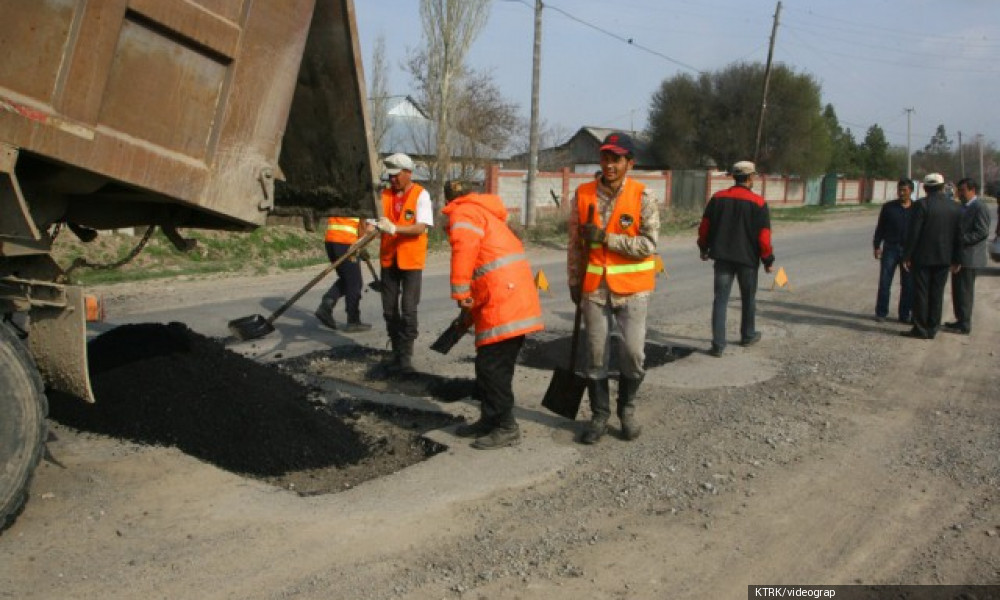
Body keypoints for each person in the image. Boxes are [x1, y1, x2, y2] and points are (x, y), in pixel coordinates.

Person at [567, 132, 660, 445]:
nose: (609, 164)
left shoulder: (643, 196)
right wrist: (573, 280)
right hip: (594, 289)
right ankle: (599, 415)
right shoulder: (582, 194)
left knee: (633, 354)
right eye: (605, 157)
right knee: (595, 355)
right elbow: (574, 245)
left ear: (628, 163)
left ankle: (627, 410)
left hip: (633, 290)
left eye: (616, 159)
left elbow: (649, 245)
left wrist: (608, 239)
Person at [442, 180, 544, 450]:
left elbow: (465, 250)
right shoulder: (485, 212)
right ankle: (490, 418)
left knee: (492, 368)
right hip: (506, 297)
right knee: (489, 365)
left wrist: (460, 292)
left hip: (504, 300)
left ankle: (506, 426)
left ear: (449, 200)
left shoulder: (463, 212)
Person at [697, 161, 775, 358]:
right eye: (754, 176)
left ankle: (718, 345)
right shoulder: (759, 203)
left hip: (722, 258)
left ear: (734, 176)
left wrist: (703, 247)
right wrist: (768, 260)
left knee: (720, 300)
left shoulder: (717, 198)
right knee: (748, 298)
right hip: (748, 260)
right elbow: (764, 237)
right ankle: (748, 335)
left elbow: (704, 227)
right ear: (749, 178)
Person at [373, 153, 433, 374]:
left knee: (408, 310)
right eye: (390, 176)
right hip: (389, 258)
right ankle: (396, 351)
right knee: (389, 310)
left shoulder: (421, 195)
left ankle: (406, 357)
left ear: (408, 173)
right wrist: (370, 228)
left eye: (396, 176)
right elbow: (374, 220)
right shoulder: (384, 194)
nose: (393, 180)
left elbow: (421, 227)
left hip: (410, 261)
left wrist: (395, 228)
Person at [901, 173, 962, 340]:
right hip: (944, 258)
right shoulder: (955, 207)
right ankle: (933, 327)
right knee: (937, 293)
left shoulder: (921, 205)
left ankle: (920, 328)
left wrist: (907, 255)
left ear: (925, 188)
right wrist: (957, 259)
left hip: (923, 257)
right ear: (942, 187)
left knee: (921, 293)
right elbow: (959, 236)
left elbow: (914, 233)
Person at [944, 178, 991, 335]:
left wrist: (962, 239)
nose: (959, 193)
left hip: (970, 257)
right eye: (959, 190)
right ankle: (960, 320)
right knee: (957, 290)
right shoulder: (962, 207)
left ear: (972, 190)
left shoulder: (979, 207)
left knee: (965, 291)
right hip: (959, 256)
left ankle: (965, 324)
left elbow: (982, 231)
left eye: (962, 190)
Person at [314, 216, 372, 333]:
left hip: (331, 241)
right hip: (346, 242)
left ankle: (327, 303)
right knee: (355, 283)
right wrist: (361, 243)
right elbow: (367, 228)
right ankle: (353, 321)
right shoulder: (362, 201)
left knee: (347, 279)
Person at [872, 179, 916, 323]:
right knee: (885, 282)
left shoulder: (917, 209)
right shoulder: (889, 208)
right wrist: (877, 246)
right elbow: (880, 228)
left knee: (908, 284)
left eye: (904, 190)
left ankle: (904, 314)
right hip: (890, 248)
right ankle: (881, 312)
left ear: (911, 191)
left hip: (909, 251)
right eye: (899, 190)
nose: (901, 193)